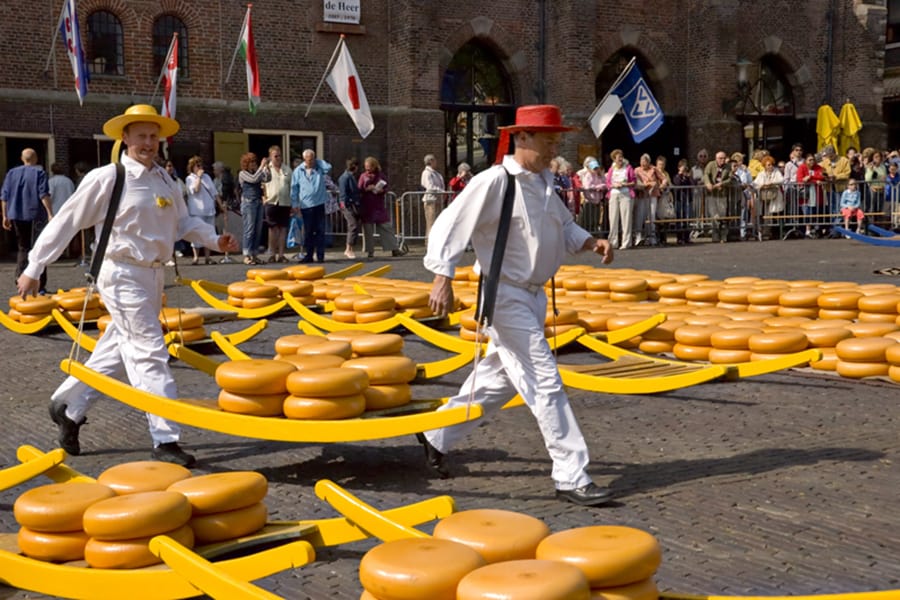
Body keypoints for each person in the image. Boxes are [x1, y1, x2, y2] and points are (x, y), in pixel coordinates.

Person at [16, 104, 238, 466]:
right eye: (141, 137)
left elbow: (183, 225)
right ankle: (165, 438)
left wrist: (215, 240)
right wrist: (34, 265)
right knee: (149, 350)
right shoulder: (108, 177)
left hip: (153, 274)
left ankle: (67, 407)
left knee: (116, 351)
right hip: (121, 273)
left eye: (154, 136)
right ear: (125, 138)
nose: (148, 143)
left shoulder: (166, 180)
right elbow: (67, 221)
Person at [420, 104, 615, 507]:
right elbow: (451, 223)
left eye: (556, 140)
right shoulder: (495, 181)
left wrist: (589, 241)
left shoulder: (545, 182)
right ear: (522, 137)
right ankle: (571, 474)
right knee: (544, 378)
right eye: (548, 140)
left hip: (532, 295)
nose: (553, 148)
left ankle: (436, 434)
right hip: (503, 294)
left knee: (496, 382)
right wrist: (443, 275)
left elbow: (562, 225)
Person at [1, 148, 52, 294]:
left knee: (22, 247)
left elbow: (4, 196)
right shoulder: (40, 173)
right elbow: (43, 194)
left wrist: (5, 216)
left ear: (22, 158)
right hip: (35, 215)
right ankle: (40, 285)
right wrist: (50, 213)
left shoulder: (11, 174)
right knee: (39, 248)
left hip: (16, 214)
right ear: (35, 158)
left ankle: (19, 278)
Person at [359, 156, 405, 257]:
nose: (367, 169)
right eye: (366, 167)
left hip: (378, 205)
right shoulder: (363, 176)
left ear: (374, 166)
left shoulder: (381, 175)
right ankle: (369, 251)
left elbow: (386, 187)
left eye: (369, 167)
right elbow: (359, 188)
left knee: (386, 226)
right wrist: (367, 189)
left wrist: (382, 190)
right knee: (368, 228)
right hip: (367, 205)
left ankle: (394, 249)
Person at [290, 149, 331, 263]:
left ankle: (320, 256)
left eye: (313, 159)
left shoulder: (319, 168)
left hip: (319, 203)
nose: (311, 161)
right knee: (308, 231)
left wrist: (318, 161)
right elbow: (294, 188)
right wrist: (295, 204)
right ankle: (309, 255)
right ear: (304, 159)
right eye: (309, 159)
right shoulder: (298, 171)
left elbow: (328, 167)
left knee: (320, 230)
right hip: (306, 205)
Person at [185, 155, 223, 265]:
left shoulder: (207, 177)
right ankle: (196, 257)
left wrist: (221, 206)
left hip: (209, 210)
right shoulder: (190, 179)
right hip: (197, 211)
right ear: (192, 167)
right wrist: (199, 178)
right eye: (197, 165)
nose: (200, 167)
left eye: (201, 165)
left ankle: (208, 257)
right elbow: (195, 190)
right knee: (197, 234)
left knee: (209, 234)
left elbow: (214, 193)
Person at [238, 151, 270, 265]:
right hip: (248, 204)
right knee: (249, 229)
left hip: (258, 202)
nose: (253, 164)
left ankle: (254, 254)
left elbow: (267, 179)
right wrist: (261, 167)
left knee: (257, 229)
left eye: (254, 162)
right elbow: (253, 179)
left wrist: (266, 168)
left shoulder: (258, 172)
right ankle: (247, 254)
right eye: (251, 162)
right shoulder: (242, 174)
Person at [262, 145, 292, 263]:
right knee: (272, 229)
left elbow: (292, 186)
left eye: (279, 155)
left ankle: (281, 254)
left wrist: (294, 203)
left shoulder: (287, 169)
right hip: (271, 201)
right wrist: (263, 197)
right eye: (275, 156)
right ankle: (272, 253)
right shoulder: (266, 169)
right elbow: (262, 185)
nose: (278, 158)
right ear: (270, 157)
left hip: (285, 202)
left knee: (283, 228)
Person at [605, 148, 636, 250]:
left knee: (626, 219)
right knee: (613, 218)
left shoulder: (628, 168)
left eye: (621, 157)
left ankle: (626, 242)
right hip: (614, 194)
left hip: (625, 194)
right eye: (618, 158)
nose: (620, 159)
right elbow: (608, 183)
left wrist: (624, 184)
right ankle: (613, 242)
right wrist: (614, 185)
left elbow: (633, 182)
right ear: (614, 159)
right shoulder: (611, 169)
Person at [703, 151, 733, 243]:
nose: (722, 160)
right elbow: (706, 174)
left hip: (722, 195)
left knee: (723, 216)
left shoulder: (728, 166)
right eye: (720, 158)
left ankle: (723, 237)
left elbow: (730, 178)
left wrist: (722, 184)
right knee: (714, 216)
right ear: (716, 158)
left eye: (724, 158)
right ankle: (715, 236)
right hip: (712, 195)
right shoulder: (711, 165)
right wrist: (708, 183)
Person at [753, 155, 785, 240]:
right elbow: (755, 184)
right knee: (763, 215)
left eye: (771, 164)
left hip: (774, 197)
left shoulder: (777, 172)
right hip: (763, 198)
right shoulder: (761, 174)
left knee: (772, 215)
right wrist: (763, 185)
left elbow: (781, 180)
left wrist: (771, 183)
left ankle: (770, 232)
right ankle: (762, 232)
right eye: (768, 165)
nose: (770, 166)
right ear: (764, 166)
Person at [337, 157, 362, 259]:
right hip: (348, 205)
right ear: (355, 167)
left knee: (354, 225)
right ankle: (348, 249)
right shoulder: (345, 177)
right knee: (353, 225)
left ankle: (350, 248)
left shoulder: (350, 177)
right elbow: (343, 193)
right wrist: (344, 205)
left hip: (352, 204)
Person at [796, 153, 825, 238]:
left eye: (813, 160)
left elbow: (821, 176)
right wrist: (815, 180)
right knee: (807, 212)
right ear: (806, 161)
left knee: (816, 212)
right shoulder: (802, 167)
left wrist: (810, 178)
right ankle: (807, 230)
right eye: (810, 160)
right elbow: (800, 179)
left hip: (817, 194)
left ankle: (816, 230)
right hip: (805, 195)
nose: (812, 161)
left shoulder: (818, 167)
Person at [420, 153, 445, 239]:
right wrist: (441, 191)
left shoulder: (436, 173)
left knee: (437, 222)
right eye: (435, 160)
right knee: (431, 222)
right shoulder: (426, 173)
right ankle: (429, 243)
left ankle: (436, 242)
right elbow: (429, 186)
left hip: (438, 199)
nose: (436, 162)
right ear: (431, 161)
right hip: (431, 200)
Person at [672, 158, 694, 244]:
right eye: (682, 167)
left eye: (685, 168)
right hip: (679, 199)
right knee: (679, 218)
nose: (684, 169)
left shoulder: (687, 177)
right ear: (679, 167)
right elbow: (677, 183)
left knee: (687, 218)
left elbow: (693, 184)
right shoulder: (676, 176)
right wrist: (680, 175)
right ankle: (679, 238)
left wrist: (688, 176)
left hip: (687, 200)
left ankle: (687, 237)